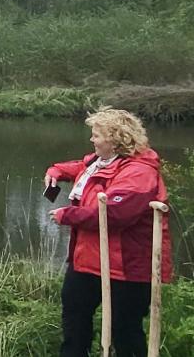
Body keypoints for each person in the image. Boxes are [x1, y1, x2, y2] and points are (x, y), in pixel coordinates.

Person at [45, 107, 172, 356]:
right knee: (74, 322)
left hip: (126, 268)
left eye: (96, 135)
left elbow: (115, 214)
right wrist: (56, 171)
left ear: (115, 141)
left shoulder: (140, 172)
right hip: (87, 260)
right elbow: (81, 168)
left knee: (125, 332)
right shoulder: (100, 161)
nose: (92, 139)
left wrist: (68, 215)